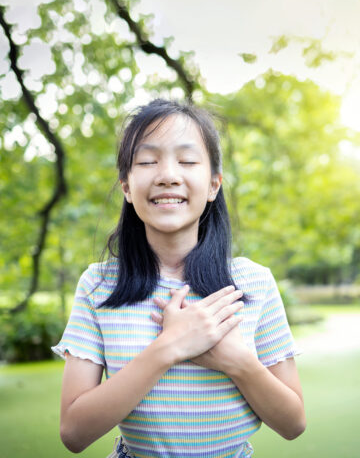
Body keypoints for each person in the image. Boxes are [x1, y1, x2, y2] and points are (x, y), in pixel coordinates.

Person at [52, 99, 306, 458]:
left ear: (213, 185)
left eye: (186, 161)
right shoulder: (99, 285)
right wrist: (170, 346)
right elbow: (74, 433)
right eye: (147, 161)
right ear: (126, 186)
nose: (168, 175)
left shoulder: (254, 282)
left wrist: (235, 359)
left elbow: (293, 423)